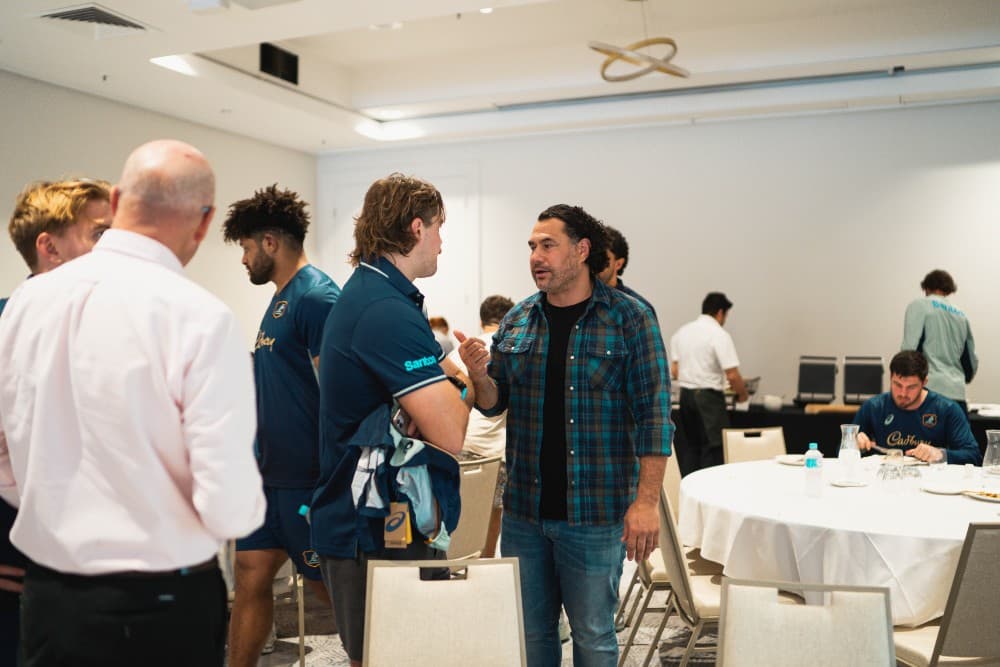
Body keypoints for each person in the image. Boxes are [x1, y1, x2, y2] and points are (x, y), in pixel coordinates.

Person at [0, 140, 265, 667]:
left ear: (119, 199)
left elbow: (3, 456)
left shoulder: (26, 303)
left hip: (49, 593)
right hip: (161, 600)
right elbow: (229, 503)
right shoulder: (199, 317)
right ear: (205, 220)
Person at [459, 204, 672, 667]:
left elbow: (656, 417)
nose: (536, 256)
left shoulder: (629, 319)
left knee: (593, 636)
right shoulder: (518, 319)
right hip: (524, 513)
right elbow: (495, 402)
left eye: (548, 245)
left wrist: (646, 502)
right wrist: (479, 375)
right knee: (532, 635)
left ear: (581, 250)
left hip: (594, 515)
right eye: (532, 246)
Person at [310, 173, 471, 667]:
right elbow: (451, 433)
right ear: (417, 228)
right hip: (374, 527)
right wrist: (457, 389)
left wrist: (446, 394)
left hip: (376, 519)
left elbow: (441, 405)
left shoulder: (377, 296)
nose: (443, 242)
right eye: (440, 228)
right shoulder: (385, 310)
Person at [221, 185, 340, 664]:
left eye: (247, 248)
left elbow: (336, 392)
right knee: (251, 574)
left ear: (270, 242)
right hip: (267, 476)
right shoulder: (281, 300)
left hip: (307, 480)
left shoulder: (317, 296)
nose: (244, 259)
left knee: (331, 592)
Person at [0, 177, 112, 663]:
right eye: (100, 236)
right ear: (49, 247)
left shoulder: (111, 325)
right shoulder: (6, 328)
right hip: (22, 567)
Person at [446, 294, 514, 558]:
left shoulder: (463, 349)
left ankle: (453, 569)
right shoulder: (505, 349)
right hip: (494, 456)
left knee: (457, 519)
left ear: (482, 320)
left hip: (460, 445)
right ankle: (481, 570)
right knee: (490, 523)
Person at [669, 292, 749, 476]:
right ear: (720, 312)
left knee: (691, 449)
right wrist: (743, 395)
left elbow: (675, 370)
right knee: (712, 451)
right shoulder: (719, 334)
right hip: (708, 399)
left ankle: (687, 494)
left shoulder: (682, 332)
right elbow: (732, 374)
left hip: (686, 397)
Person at [855, 350, 981, 465]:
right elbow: (841, 450)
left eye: (911, 387)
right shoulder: (873, 407)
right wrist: (855, 445)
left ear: (924, 382)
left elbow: (973, 456)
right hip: (885, 478)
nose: (903, 393)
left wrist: (941, 454)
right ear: (890, 378)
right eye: (897, 384)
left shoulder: (946, 409)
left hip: (931, 481)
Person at [901, 269, 977, 413]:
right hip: (957, 396)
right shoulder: (961, 316)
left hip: (928, 394)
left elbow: (909, 352)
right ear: (948, 290)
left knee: (920, 437)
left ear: (926, 288)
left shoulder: (919, 305)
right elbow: (970, 363)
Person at [597, 225, 657, 318]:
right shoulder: (576, 300)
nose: (595, 263)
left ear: (618, 264)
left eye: (602, 257)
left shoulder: (639, 310)